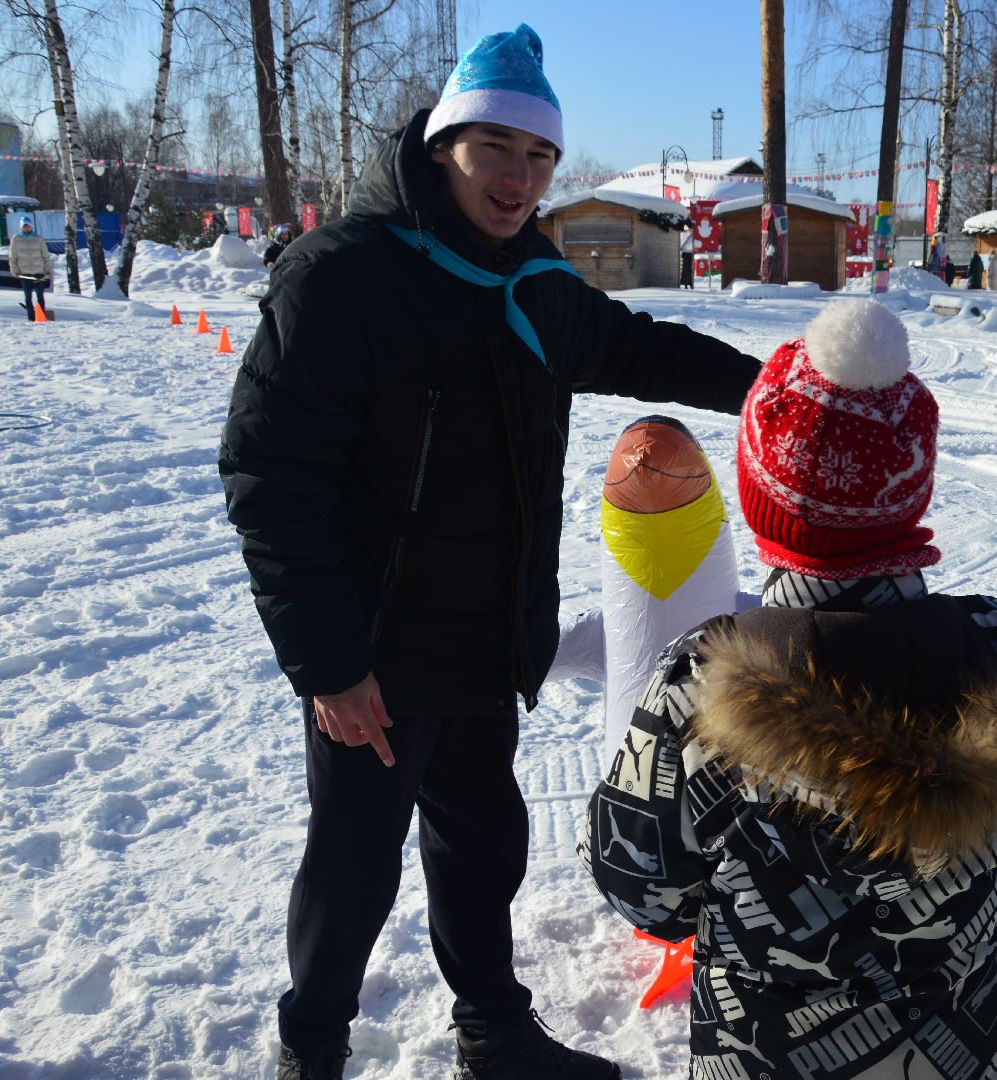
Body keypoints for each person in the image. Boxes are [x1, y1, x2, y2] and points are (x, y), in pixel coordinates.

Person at [218, 24, 762, 1080]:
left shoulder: (533, 284)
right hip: (373, 650)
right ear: (442, 146)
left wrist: (777, 386)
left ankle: (493, 1031)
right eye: (496, 151)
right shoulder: (344, 278)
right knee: (355, 861)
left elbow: (639, 347)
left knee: (481, 847)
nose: (518, 180)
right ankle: (310, 1052)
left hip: (481, 641)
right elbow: (270, 479)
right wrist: (327, 662)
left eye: (540, 159)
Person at [582, 299, 997, 1079]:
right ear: (909, 497)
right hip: (965, 1054)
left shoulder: (703, 680)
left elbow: (642, 886)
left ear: (761, 501)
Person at [8, 216, 53, 320]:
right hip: (25, 273)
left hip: (38, 272)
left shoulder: (38, 238)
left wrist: (48, 269)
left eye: (28, 226)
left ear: (31, 226)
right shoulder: (16, 239)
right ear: (21, 227)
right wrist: (15, 271)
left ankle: (41, 317)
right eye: (24, 226)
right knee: (28, 296)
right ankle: (31, 317)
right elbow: (13, 257)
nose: (27, 228)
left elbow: (46, 255)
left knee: (40, 296)